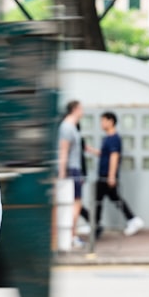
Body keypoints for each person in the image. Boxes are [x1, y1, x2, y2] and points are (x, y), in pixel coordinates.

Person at [91, 111, 143, 239]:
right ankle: (133, 220)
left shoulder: (114, 138)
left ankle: (96, 225)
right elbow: (103, 154)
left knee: (100, 200)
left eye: (103, 120)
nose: (101, 123)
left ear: (110, 121)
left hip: (106, 177)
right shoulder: (108, 138)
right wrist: (89, 149)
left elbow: (114, 157)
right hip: (104, 176)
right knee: (112, 199)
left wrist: (111, 176)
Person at [57, 100, 87, 247]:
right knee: (75, 205)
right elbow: (63, 151)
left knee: (76, 204)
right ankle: (70, 236)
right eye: (81, 108)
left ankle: (72, 235)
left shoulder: (72, 127)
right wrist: (62, 173)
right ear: (75, 109)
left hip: (75, 169)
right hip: (72, 169)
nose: (83, 111)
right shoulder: (67, 127)